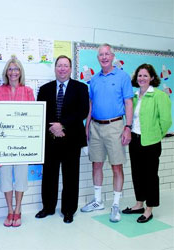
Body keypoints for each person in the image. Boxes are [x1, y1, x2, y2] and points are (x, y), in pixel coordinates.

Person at [81, 43, 134, 223]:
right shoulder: (94, 80)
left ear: (113, 56)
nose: (104, 57)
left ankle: (116, 204)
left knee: (116, 166)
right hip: (95, 126)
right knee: (96, 164)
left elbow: (128, 103)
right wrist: (87, 126)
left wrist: (128, 127)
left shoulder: (123, 77)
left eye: (107, 54)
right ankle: (98, 201)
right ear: (98, 58)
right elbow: (91, 105)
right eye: (100, 55)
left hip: (115, 126)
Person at [35, 55, 89, 223]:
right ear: (55, 68)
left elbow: (83, 111)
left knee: (71, 177)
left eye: (66, 66)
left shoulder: (81, 88)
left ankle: (68, 210)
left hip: (71, 139)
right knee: (49, 176)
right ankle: (48, 207)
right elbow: (40, 112)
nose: (62, 69)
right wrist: (54, 128)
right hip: (50, 139)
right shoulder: (45, 89)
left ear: (71, 69)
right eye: (59, 65)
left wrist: (62, 125)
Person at [122, 64, 172, 223]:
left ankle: (149, 209)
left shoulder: (159, 95)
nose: (141, 78)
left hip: (151, 142)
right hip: (135, 140)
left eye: (145, 75)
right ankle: (139, 204)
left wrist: (157, 135)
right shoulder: (135, 96)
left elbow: (166, 120)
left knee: (150, 176)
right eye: (139, 75)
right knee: (137, 173)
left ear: (151, 77)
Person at [0, 56, 35, 227]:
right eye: (10, 69)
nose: (13, 72)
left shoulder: (28, 91)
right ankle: (9, 210)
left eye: (16, 69)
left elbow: (34, 117)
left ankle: (18, 210)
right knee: (4, 178)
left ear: (20, 72)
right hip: (3, 142)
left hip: (22, 142)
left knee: (20, 177)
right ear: (6, 72)